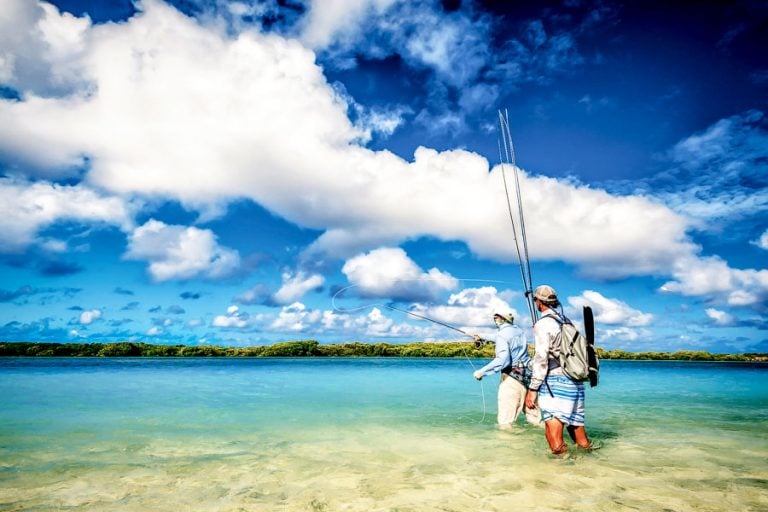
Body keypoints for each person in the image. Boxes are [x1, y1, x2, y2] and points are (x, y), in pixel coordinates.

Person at [524, 285, 592, 454]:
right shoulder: (566, 320)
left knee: (554, 437)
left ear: (539, 303)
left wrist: (533, 389)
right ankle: (592, 466)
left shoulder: (543, 324)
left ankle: (559, 472)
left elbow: (541, 358)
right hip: (575, 382)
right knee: (579, 435)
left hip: (555, 383)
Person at [472, 312, 541, 428]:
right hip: (528, 377)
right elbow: (502, 337)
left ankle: (508, 445)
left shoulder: (502, 335)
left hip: (512, 378)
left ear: (503, 319)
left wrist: (482, 372)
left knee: (505, 423)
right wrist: (481, 336)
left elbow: (503, 360)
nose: (495, 319)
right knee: (535, 419)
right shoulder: (519, 331)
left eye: (496, 317)